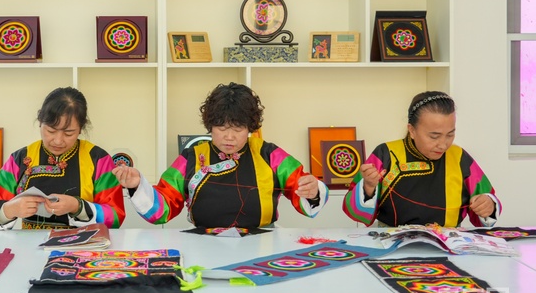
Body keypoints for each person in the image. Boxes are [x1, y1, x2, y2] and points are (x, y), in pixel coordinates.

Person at [113, 82, 328, 229]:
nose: (229, 137)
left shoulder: (269, 153)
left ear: (250, 127)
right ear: (210, 126)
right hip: (201, 242)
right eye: (222, 128)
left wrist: (312, 190)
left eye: (238, 129)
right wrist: (137, 185)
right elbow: (163, 207)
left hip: (263, 241)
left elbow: (300, 184)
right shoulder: (191, 157)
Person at [342, 91, 500, 227]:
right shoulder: (386, 153)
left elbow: (487, 199)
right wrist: (368, 187)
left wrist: (488, 205)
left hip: (447, 242)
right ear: (412, 130)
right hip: (391, 242)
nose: (443, 144)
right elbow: (354, 212)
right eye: (434, 136)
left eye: (450, 134)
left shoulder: (459, 157)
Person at [0, 87, 126, 230]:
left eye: (68, 133)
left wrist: (77, 207)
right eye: (51, 131)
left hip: (84, 244)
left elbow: (115, 216)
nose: (58, 141)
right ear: (40, 122)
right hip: (30, 244)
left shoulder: (99, 160)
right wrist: (9, 210)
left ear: (81, 128)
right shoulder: (19, 159)